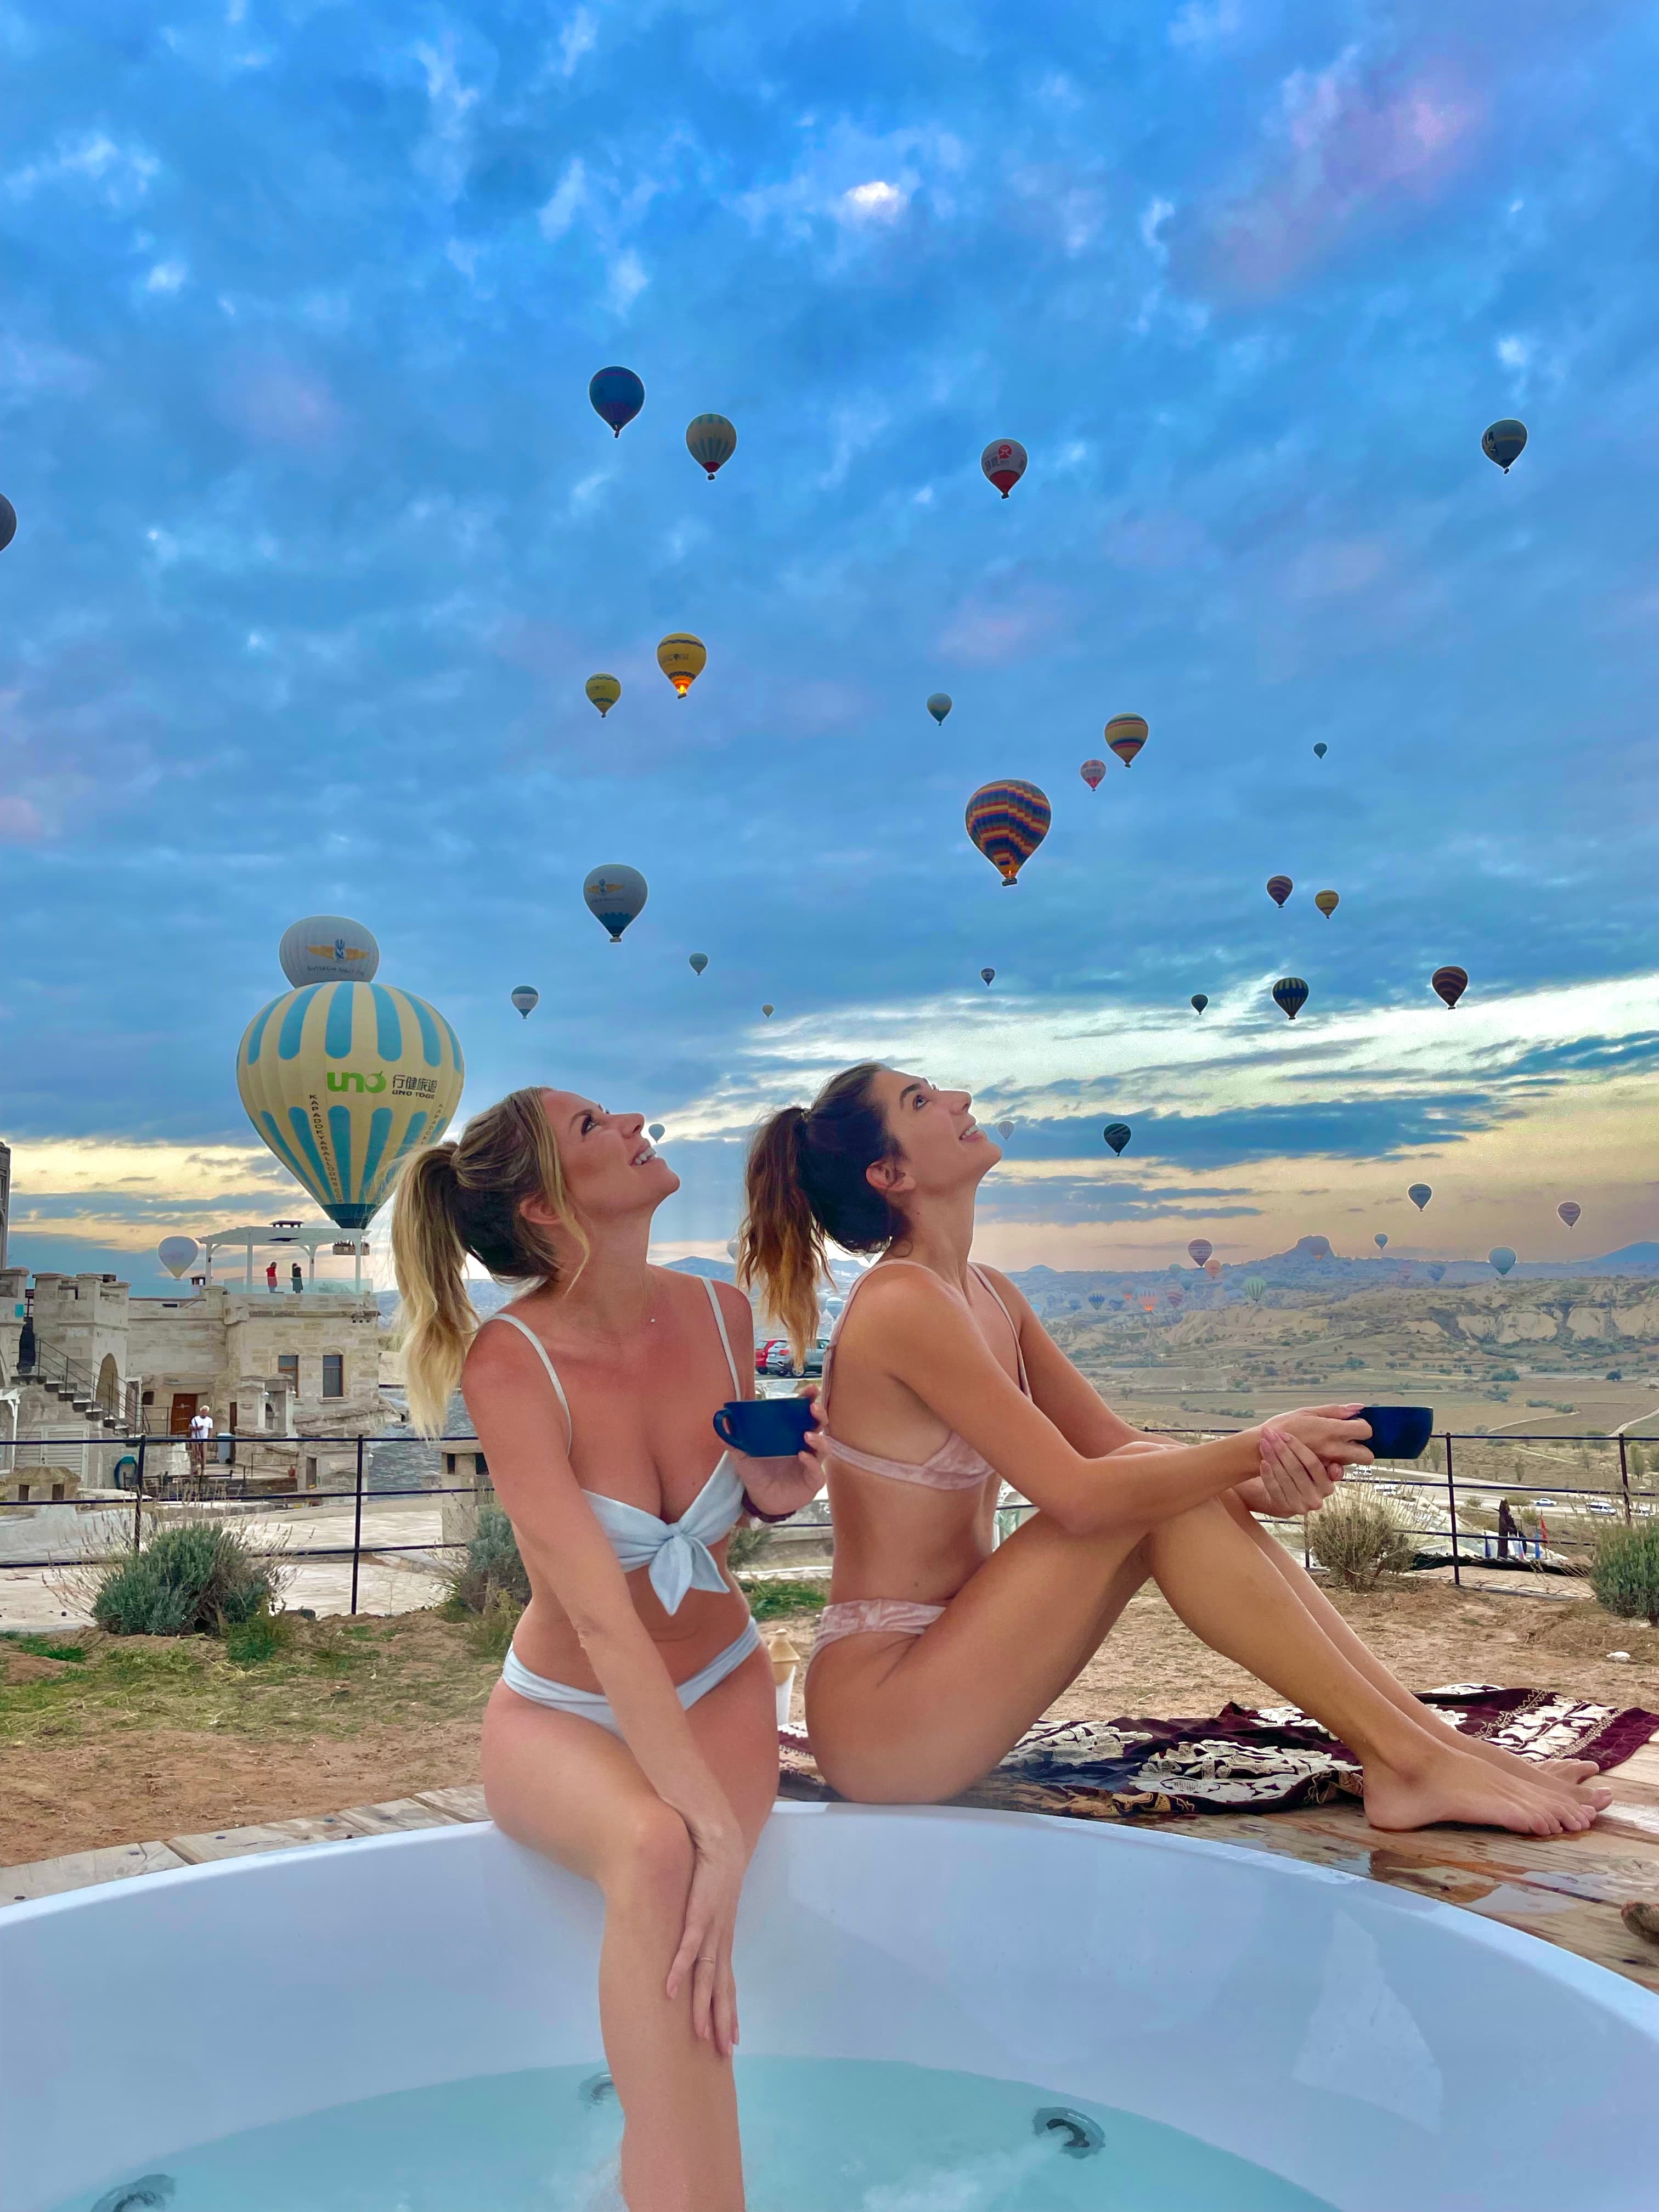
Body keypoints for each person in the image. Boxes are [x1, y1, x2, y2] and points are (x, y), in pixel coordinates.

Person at [740, 1064, 1610, 1840]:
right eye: (921, 1101)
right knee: (1143, 1484)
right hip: (887, 1716)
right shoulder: (902, 1301)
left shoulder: (990, 1294)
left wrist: (1267, 1475)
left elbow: (1123, 1449)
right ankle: (1409, 1761)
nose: (960, 1099)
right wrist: (1254, 1447)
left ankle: (1431, 1749)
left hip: (960, 1670)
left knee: (1155, 1473)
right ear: (889, 1175)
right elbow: (1082, 1497)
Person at [392, 1088, 820, 2212]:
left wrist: (780, 1490)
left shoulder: (722, 1313)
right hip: (561, 1712)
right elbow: (598, 1619)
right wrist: (710, 1825)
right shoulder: (510, 1363)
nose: (633, 1121)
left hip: (721, 1683)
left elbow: (739, 1510)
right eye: (592, 1126)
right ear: (544, 1205)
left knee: (692, 1926)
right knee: (661, 1853)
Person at [187, 1403, 213, 1494]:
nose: (204, 1413)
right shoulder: (195, 1419)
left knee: (203, 1455)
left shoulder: (210, 1420)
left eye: (206, 1412)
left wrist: (209, 1438)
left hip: (204, 1439)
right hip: (195, 1438)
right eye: (203, 1412)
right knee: (195, 1454)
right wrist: (198, 1428)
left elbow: (210, 1430)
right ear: (200, 1412)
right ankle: (195, 1469)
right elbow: (190, 1428)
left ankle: (203, 1470)